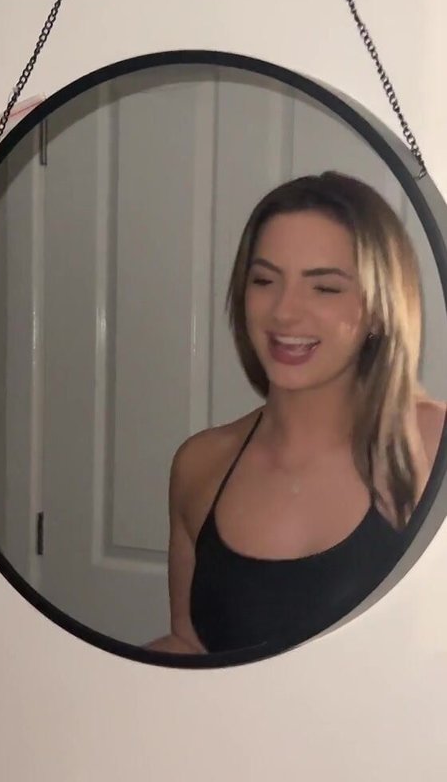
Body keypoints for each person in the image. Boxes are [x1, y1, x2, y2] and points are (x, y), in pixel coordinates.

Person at [146, 171, 446, 655]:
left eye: (324, 288)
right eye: (264, 280)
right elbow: (191, 646)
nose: (284, 312)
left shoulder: (435, 448)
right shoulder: (201, 464)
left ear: (379, 308)